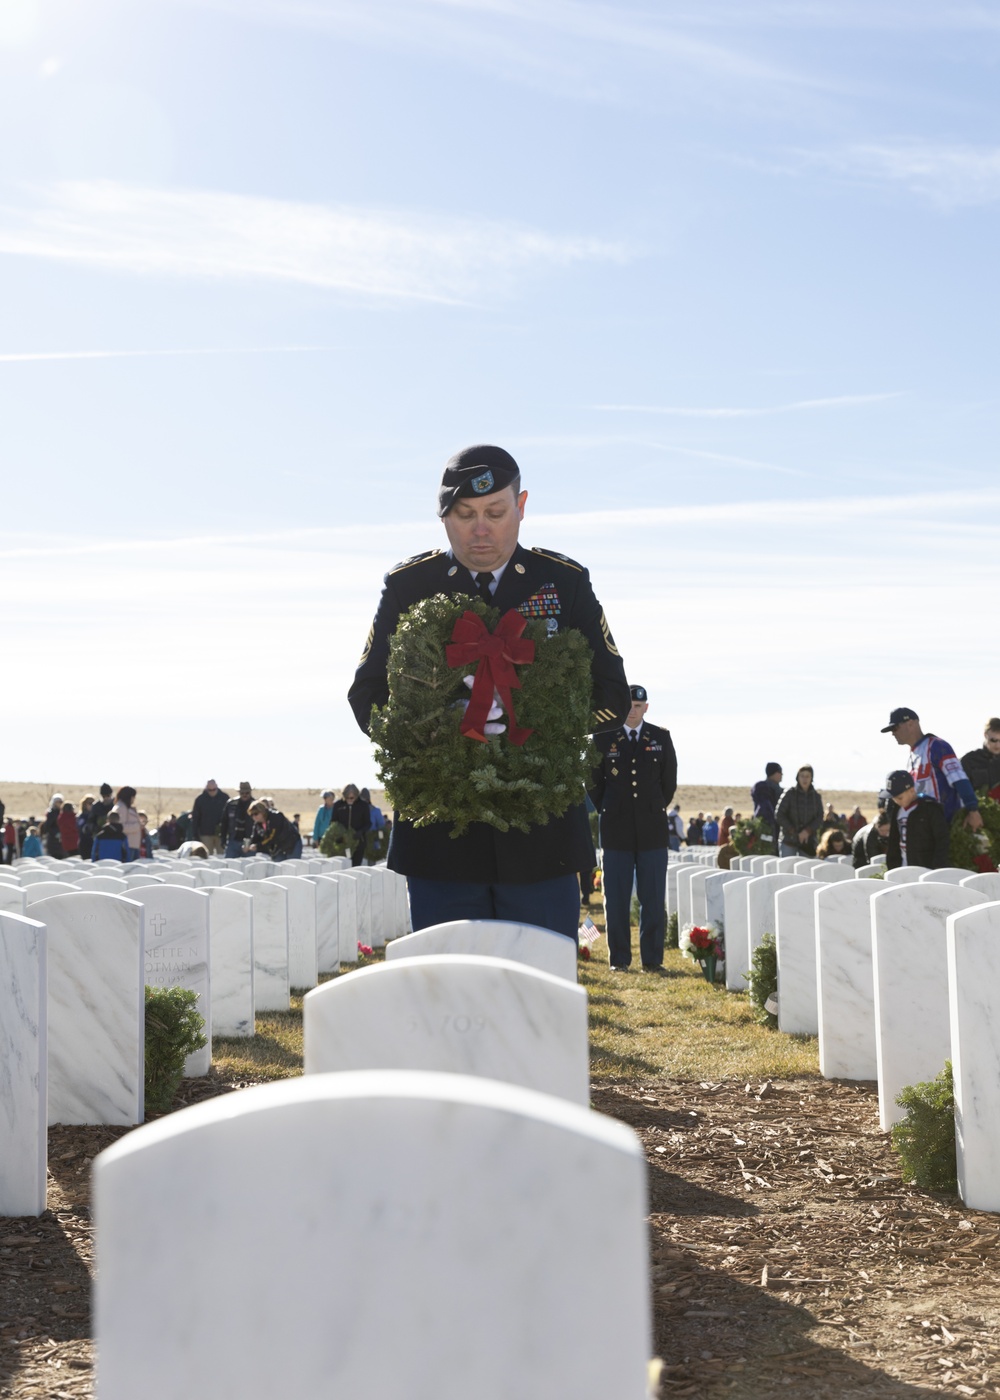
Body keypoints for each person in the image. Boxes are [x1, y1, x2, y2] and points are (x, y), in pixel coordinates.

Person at [348, 442, 630, 938]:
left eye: (496, 512)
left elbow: (612, 696)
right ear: (443, 518)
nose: (481, 529)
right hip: (443, 839)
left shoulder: (561, 582)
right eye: (465, 514)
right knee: (451, 999)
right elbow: (368, 696)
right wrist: (438, 729)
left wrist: (536, 719)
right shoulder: (411, 586)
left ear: (520, 508)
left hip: (542, 836)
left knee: (541, 1003)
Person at [589, 684, 677, 972]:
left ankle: (652, 960)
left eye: (637, 706)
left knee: (652, 897)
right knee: (616, 899)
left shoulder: (660, 738)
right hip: (616, 830)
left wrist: (651, 807)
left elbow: (669, 783)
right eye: (627, 706)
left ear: (646, 708)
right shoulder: (603, 738)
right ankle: (619, 960)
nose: (632, 711)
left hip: (652, 830)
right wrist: (610, 807)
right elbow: (592, 782)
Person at [882, 707, 982, 831]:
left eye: (895, 728)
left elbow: (959, 778)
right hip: (926, 828)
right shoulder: (912, 756)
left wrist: (973, 810)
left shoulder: (936, 746)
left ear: (911, 724)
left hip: (947, 825)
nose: (893, 733)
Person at [884, 769, 949, 870]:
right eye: (893, 798)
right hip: (901, 867)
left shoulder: (930, 809)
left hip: (925, 868)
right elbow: (894, 840)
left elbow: (942, 840)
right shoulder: (895, 810)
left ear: (912, 790)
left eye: (900, 797)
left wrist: (938, 866)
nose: (896, 801)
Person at [775, 765, 823, 858]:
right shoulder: (789, 793)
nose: (804, 779)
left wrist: (807, 831)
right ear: (798, 777)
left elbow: (820, 817)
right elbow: (779, 814)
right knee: (787, 870)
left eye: (807, 776)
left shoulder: (816, 797)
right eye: (802, 776)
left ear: (811, 778)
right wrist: (793, 830)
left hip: (807, 841)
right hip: (789, 839)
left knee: (807, 869)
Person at [331, 785, 371, 867]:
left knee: (355, 866)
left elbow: (368, 823)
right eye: (347, 798)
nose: (349, 800)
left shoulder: (363, 805)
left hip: (358, 842)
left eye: (352, 798)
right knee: (342, 866)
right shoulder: (338, 805)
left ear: (356, 796)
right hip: (342, 842)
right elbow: (333, 821)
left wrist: (361, 832)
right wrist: (339, 834)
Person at [961, 718, 1000, 795]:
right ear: (985, 735)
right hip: (976, 806)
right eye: (993, 740)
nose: (998, 745)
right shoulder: (969, 760)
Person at [191, 779, 229, 855]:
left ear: (217, 787)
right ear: (206, 789)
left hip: (221, 833)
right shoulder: (200, 799)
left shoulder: (225, 798)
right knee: (206, 855)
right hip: (205, 833)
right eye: (209, 790)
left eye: (214, 789)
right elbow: (195, 818)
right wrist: (195, 834)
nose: (212, 791)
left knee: (221, 855)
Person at [751, 764, 783, 852]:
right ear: (774, 773)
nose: (782, 775)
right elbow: (765, 809)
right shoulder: (763, 788)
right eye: (780, 772)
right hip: (768, 827)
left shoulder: (778, 790)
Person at [220, 783, 255, 857]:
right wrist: (223, 838)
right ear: (239, 793)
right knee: (229, 863)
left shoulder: (255, 805)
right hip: (233, 839)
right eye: (242, 793)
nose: (245, 795)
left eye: (247, 793)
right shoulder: (231, 804)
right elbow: (224, 822)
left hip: (249, 840)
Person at [112, 787, 143, 862]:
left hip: (133, 844)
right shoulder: (121, 808)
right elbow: (120, 826)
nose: (134, 799)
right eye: (133, 797)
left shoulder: (127, 807)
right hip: (128, 845)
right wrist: (137, 826)